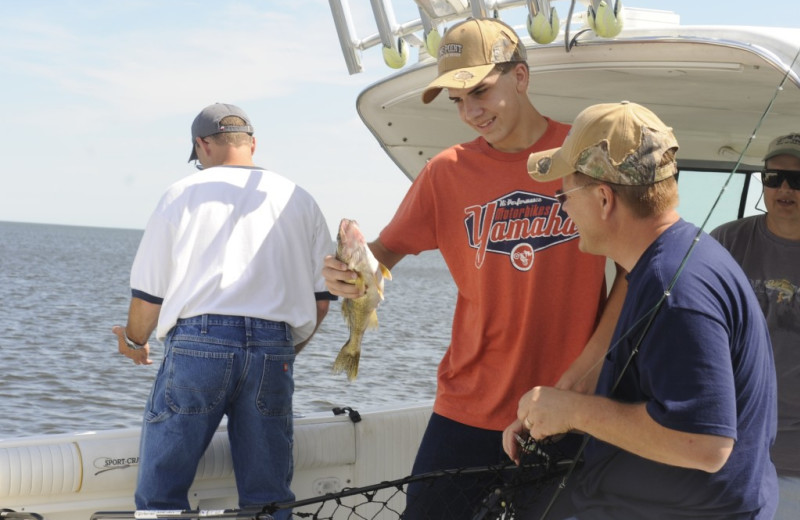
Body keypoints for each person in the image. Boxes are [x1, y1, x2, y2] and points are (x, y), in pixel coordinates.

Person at [322, 18, 626, 519]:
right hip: (466, 406)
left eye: (480, 91)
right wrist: (344, 272)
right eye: (457, 100)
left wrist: (586, 373)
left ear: (521, 77)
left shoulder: (583, 154)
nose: (470, 111)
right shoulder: (446, 172)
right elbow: (381, 255)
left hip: (565, 407)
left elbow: (634, 271)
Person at [505, 100, 778, 518]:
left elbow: (705, 445)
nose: (561, 206)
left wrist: (574, 411)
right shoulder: (669, 263)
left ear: (603, 198)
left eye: (564, 193)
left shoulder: (677, 288)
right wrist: (558, 408)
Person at [112, 103, 334, 516]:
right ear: (252, 144)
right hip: (274, 347)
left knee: (162, 490)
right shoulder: (299, 198)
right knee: (268, 494)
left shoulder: (180, 194)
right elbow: (323, 298)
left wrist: (132, 340)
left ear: (202, 145)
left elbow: (149, 298)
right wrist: (285, 348)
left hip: (199, 345)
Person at [710, 133, 800, 519]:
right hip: (728, 448)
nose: (784, 188)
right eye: (772, 177)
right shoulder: (725, 241)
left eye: (797, 180)